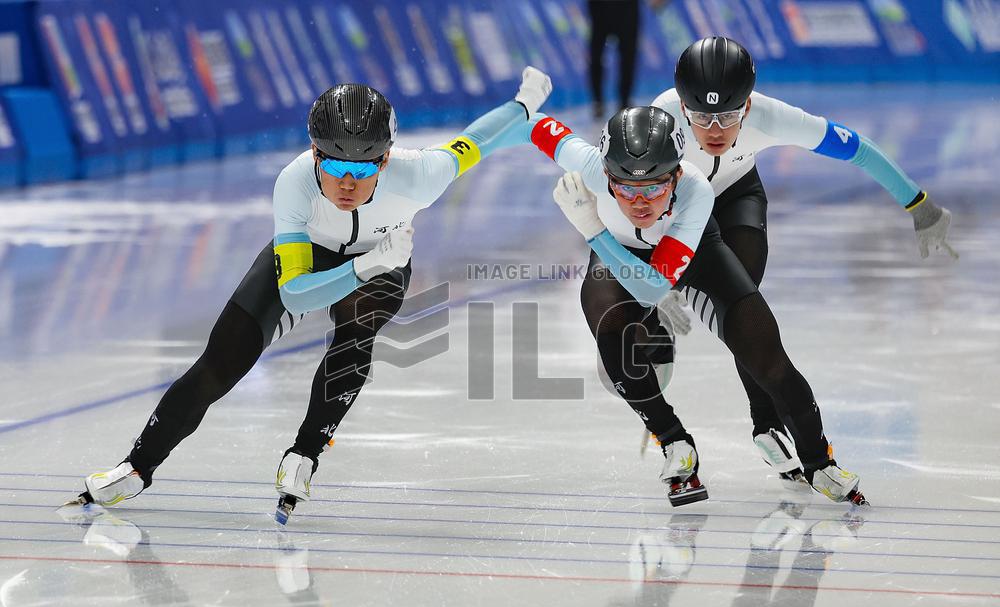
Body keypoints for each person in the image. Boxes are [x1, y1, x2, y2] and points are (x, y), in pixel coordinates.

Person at [65, 67, 555, 524]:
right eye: (335, 166)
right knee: (219, 363)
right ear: (315, 154)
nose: (347, 183)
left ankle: (304, 454)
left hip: (384, 263)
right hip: (321, 259)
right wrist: (366, 262)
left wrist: (525, 104)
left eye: (363, 171)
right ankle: (135, 468)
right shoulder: (295, 184)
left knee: (357, 332)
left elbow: (479, 140)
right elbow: (297, 295)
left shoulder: (422, 174)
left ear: (385, 160)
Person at [506, 104, 867, 505]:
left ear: (676, 175)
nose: (638, 202)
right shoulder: (588, 163)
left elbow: (651, 289)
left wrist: (592, 229)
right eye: (624, 188)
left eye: (655, 188)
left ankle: (819, 462)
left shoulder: (695, 191)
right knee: (611, 336)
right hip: (617, 257)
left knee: (766, 355)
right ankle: (675, 441)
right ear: (605, 175)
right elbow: (530, 125)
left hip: (692, 257)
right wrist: (514, 109)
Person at [650, 36, 957, 480]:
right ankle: (766, 421)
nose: (715, 129)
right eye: (701, 117)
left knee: (742, 304)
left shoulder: (774, 116)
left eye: (729, 115)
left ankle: (766, 424)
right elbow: (621, 194)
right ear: (681, 105)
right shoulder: (658, 119)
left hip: (737, 198)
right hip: (676, 208)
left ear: (749, 107)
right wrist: (659, 283)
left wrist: (919, 205)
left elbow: (860, 150)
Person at [587, 0, 667, 120]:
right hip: (600, 7)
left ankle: (624, 100)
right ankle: (598, 101)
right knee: (596, 53)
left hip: (627, 7)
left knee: (628, 54)